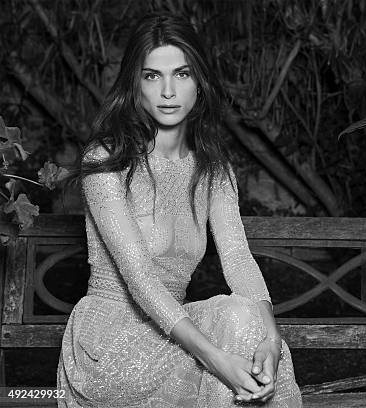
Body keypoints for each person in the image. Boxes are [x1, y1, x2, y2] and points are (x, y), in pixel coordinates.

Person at [56, 12, 302, 407]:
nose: (168, 91)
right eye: (152, 76)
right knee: (228, 352)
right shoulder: (107, 161)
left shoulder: (213, 170)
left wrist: (271, 341)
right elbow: (138, 276)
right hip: (109, 349)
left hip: (175, 338)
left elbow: (238, 258)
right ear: (135, 85)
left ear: (200, 84)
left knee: (245, 321)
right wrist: (217, 359)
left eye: (182, 74)